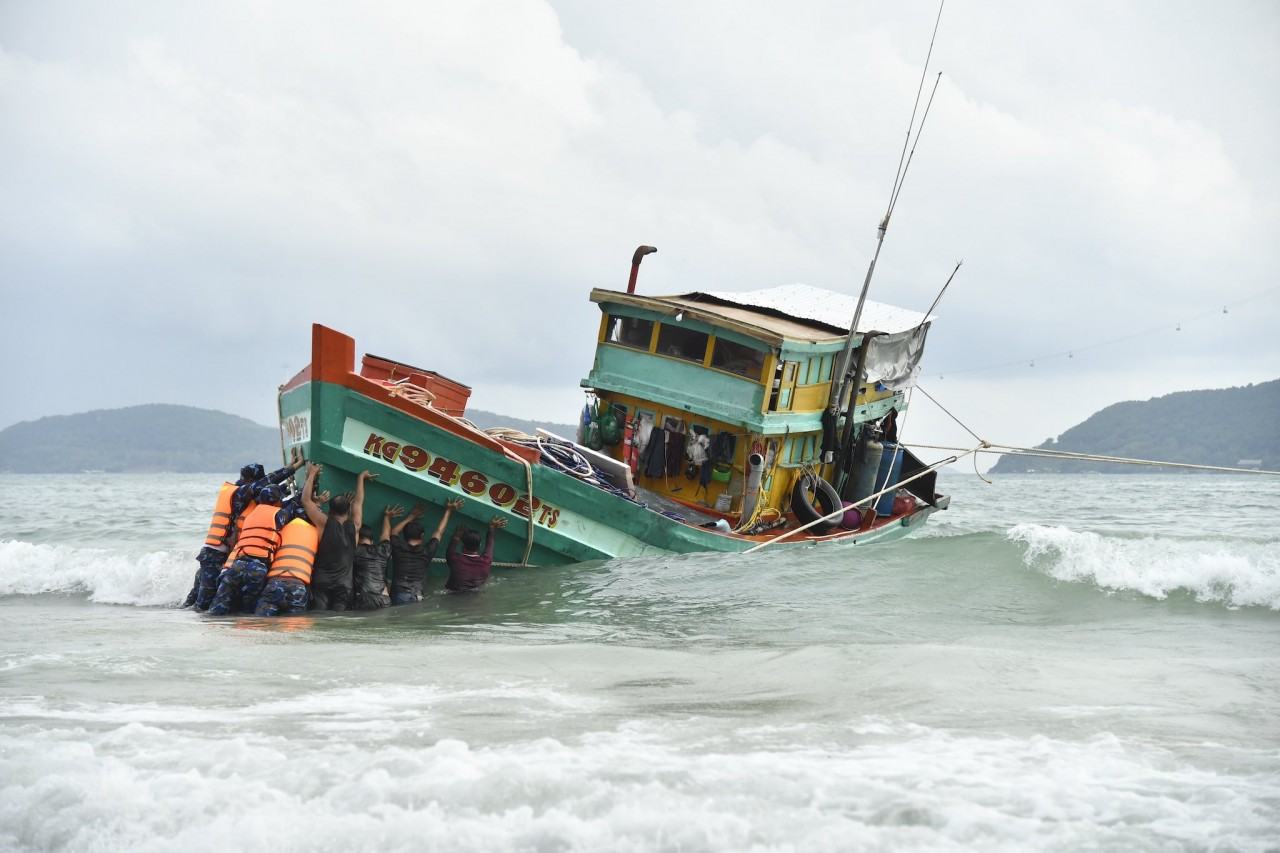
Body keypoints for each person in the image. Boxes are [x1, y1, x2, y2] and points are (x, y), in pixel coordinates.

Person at [183, 451, 306, 610]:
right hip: (214, 557)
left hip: (215, 555)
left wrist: (289, 486)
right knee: (203, 604)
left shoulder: (244, 497)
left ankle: (181, 618)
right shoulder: (239, 493)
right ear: (250, 481)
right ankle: (192, 627)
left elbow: (268, 494)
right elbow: (263, 487)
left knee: (197, 600)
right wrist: (292, 468)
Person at [206, 484, 286, 616]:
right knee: (248, 611)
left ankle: (213, 631)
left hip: (237, 565)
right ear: (278, 501)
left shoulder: (251, 515)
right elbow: (294, 506)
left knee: (218, 607)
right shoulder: (278, 515)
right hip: (258, 568)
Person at [301, 464, 370, 612]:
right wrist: (361, 478)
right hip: (344, 586)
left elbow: (306, 500)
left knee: (318, 615)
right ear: (349, 510)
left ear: (330, 511)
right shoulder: (355, 525)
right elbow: (359, 502)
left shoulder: (323, 523)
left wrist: (312, 474)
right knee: (339, 619)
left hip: (322, 583)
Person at [253, 491, 320, 617]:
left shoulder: (283, 529)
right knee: (293, 628)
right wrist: (317, 505)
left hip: (274, 583)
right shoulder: (315, 532)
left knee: (261, 623)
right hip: (297, 586)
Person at [389, 498, 462, 604]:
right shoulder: (427, 551)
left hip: (399, 594)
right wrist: (448, 511)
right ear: (422, 536)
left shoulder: (397, 547)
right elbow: (439, 531)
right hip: (417, 595)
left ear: (404, 536)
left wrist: (411, 516)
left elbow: (394, 531)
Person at [444, 510, 507, 592]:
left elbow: (450, 550)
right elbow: (490, 545)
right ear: (480, 545)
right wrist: (491, 527)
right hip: (474, 599)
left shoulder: (455, 560)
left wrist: (456, 537)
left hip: (451, 596)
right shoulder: (486, 561)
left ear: (462, 546)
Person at [352, 505, 399, 611]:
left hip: (363, 598)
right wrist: (387, 518)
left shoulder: (354, 551)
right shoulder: (383, 550)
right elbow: (385, 535)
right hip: (384, 598)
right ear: (372, 541)